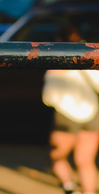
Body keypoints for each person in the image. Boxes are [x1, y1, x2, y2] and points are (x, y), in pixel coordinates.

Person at [44, 24, 99, 194]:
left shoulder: (56, 64)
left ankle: (69, 187)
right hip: (92, 112)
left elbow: (48, 97)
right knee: (86, 161)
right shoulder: (92, 55)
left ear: (59, 40)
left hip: (65, 115)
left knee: (57, 157)